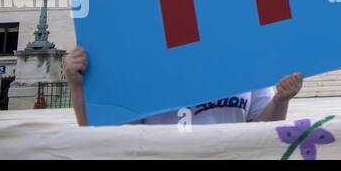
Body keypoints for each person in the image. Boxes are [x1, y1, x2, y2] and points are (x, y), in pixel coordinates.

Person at [60, 44, 301, 127]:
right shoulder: (148, 65)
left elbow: (261, 132)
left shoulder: (246, 60)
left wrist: (280, 100)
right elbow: (99, 132)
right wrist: (77, 86)